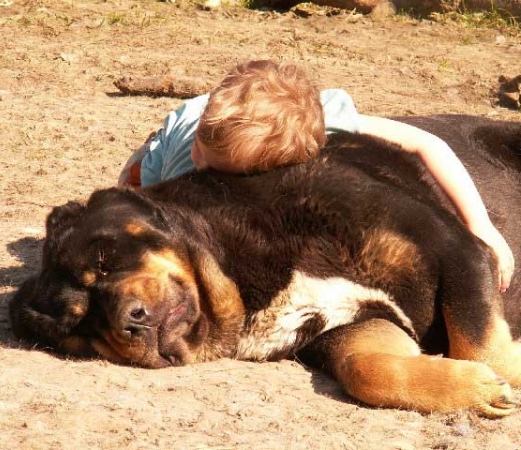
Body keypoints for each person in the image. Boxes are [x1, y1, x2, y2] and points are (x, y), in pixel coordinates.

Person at [118, 60, 514, 292]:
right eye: (203, 158)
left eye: (220, 174)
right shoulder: (191, 155)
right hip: (177, 133)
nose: (201, 173)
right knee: (137, 185)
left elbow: (429, 145)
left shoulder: (330, 121)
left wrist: (481, 225)